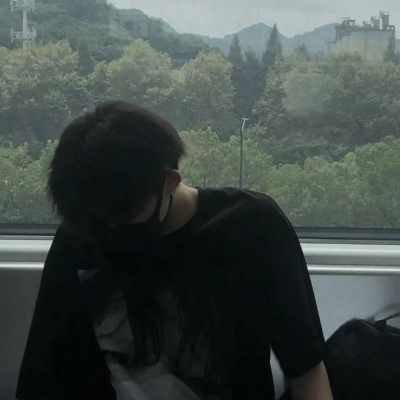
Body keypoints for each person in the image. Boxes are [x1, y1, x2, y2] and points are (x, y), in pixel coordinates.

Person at [16, 101, 333, 400]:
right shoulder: (83, 233)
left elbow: (306, 370)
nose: (109, 231)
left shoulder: (252, 228)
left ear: (170, 182)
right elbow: (41, 378)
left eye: (124, 217)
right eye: (98, 222)